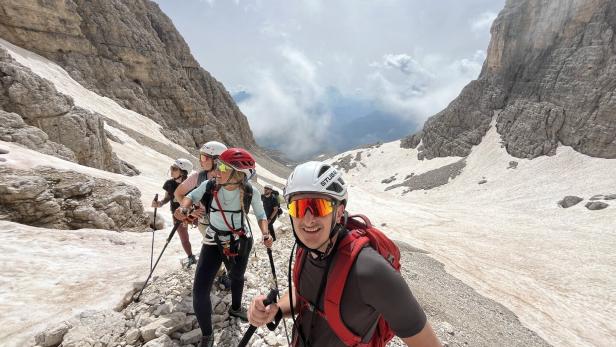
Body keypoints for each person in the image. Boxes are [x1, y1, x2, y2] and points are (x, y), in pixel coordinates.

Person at [247, 161, 442, 347]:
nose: (308, 220)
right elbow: (305, 297)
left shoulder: (372, 271)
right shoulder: (306, 250)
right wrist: (276, 310)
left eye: (318, 206)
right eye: (298, 207)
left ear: (339, 212)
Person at [174, 148, 274, 347]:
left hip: (239, 239)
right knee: (199, 290)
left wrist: (265, 233)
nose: (216, 171)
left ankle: (235, 308)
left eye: (222, 167)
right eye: (217, 165)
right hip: (215, 239)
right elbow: (191, 197)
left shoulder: (249, 191)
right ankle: (207, 335)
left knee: (237, 277)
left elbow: (261, 215)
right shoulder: (210, 185)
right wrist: (183, 208)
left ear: (238, 174)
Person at [174, 141, 232, 285]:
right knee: (215, 250)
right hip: (206, 222)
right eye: (201, 156)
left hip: (225, 222)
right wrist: (191, 209)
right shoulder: (198, 177)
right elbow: (178, 193)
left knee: (226, 249)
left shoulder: (229, 176)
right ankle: (221, 274)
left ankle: (225, 273)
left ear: (217, 159)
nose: (201, 161)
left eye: (205, 157)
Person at [152, 158, 195, 266]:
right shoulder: (169, 184)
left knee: (205, 230)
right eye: (171, 168)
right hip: (177, 214)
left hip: (192, 213)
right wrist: (160, 203)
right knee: (184, 238)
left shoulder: (190, 183)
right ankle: (191, 257)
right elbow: (167, 198)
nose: (171, 170)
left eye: (174, 169)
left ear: (183, 171)